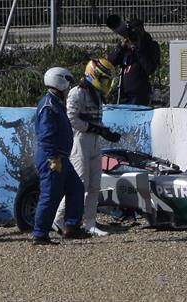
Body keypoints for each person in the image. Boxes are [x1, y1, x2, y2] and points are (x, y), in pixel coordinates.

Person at [53, 59, 121, 237]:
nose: (107, 84)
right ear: (93, 75)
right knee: (80, 183)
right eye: (104, 79)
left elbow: (95, 121)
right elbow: (72, 120)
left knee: (95, 185)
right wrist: (97, 129)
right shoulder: (76, 93)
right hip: (79, 141)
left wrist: (105, 132)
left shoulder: (97, 95)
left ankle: (90, 222)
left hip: (94, 141)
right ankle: (58, 219)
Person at [33, 67, 90, 245]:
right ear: (60, 82)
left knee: (76, 188)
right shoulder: (49, 105)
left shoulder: (56, 103)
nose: (69, 88)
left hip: (61, 157)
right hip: (53, 157)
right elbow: (46, 134)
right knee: (50, 195)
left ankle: (71, 227)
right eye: (67, 83)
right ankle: (40, 234)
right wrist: (53, 157)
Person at [108, 18, 160, 106]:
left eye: (138, 31)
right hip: (122, 93)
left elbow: (150, 69)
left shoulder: (151, 46)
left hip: (139, 94)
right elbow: (110, 62)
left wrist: (138, 48)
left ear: (143, 30)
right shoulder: (125, 46)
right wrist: (121, 47)